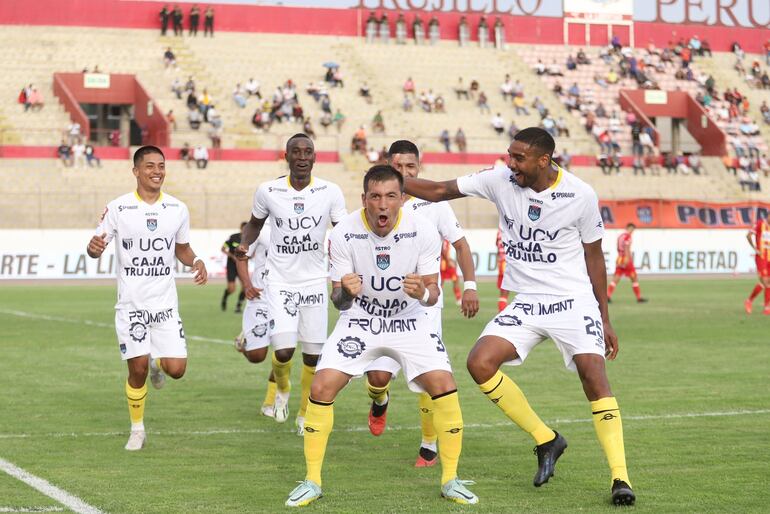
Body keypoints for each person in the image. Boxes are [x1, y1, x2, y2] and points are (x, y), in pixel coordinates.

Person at [402, 128, 635, 506]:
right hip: (527, 302)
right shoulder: (500, 180)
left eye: (519, 158)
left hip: (572, 300)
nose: (511, 164)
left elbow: (594, 255)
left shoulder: (580, 194)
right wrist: (395, 180)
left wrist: (604, 318)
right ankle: (547, 439)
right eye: (509, 155)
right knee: (479, 362)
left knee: (594, 375)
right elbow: (441, 190)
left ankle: (620, 478)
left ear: (544, 160)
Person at [284, 165, 477, 507]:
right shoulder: (343, 232)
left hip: (410, 319)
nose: (383, 204)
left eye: (391, 196)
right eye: (375, 196)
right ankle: (312, 480)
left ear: (403, 199)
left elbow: (433, 292)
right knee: (321, 386)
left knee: (444, 386)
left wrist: (424, 294)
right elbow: (339, 301)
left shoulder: (424, 231)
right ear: (364, 200)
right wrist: (346, 291)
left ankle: (451, 479)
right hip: (361, 319)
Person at [362, 140, 479, 468]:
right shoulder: (375, 205)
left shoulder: (435, 204)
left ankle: (428, 445)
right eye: (397, 167)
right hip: (383, 305)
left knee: (430, 374)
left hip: (426, 304)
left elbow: (462, 245)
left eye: (410, 167)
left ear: (418, 168)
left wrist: (469, 286)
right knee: (377, 378)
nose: (404, 173)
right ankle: (379, 400)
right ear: (387, 167)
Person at [85, 146, 208, 451]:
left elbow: (182, 248)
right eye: (150, 166)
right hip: (132, 305)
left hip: (165, 305)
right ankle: (137, 429)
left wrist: (196, 262)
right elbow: (96, 245)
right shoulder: (118, 208)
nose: (157, 171)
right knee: (136, 369)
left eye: (161, 166)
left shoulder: (177, 209)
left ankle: (158, 364)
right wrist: (94, 248)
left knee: (177, 370)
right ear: (136, 171)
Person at [235, 134, 347, 434]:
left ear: (314, 157)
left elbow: (343, 232)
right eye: (296, 151)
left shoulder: (330, 192)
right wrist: (244, 245)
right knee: (284, 351)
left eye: (307, 152)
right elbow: (254, 225)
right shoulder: (268, 191)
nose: (301, 156)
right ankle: (281, 391)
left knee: (312, 355)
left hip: (313, 282)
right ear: (286, 156)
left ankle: (303, 412)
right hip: (280, 281)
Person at [233, 221, 275, 411]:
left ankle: (272, 401)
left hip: (288, 298)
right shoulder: (260, 229)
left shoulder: (300, 226)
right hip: (261, 297)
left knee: (284, 351)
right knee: (257, 356)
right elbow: (241, 256)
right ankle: (244, 343)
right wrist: (247, 285)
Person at [607, 224, 647, 303]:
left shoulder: (620, 236)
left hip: (619, 259)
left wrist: (620, 257)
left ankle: (607, 295)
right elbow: (627, 247)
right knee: (634, 278)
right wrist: (628, 258)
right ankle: (639, 298)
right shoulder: (628, 236)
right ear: (628, 228)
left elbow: (617, 247)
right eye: (632, 229)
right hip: (626, 260)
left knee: (616, 278)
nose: (632, 231)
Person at [745, 214, 770, 315]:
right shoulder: (760, 223)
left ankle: (766, 307)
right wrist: (755, 248)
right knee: (765, 282)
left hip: (769, 258)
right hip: (761, 257)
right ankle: (750, 301)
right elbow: (748, 235)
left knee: (768, 283)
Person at [221, 223, 247, 313]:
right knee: (232, 289)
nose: (244, 230)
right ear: (240, 228)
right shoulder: (233, 237)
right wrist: (232, 256)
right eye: (243, 228)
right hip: (232, 265)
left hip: (242, 265)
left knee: (245, 287)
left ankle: (238, 307)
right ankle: (225, 296)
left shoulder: (250, 239)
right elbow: (223, 248)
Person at [496, 228, 509, 312]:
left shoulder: (499, 232)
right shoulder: (511, 229)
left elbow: (497, 246)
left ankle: (501, 313)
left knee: (503, 293)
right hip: (510, 262)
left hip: (502, 263)